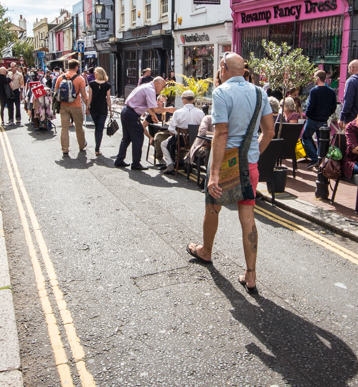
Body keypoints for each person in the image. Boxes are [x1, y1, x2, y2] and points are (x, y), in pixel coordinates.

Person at [186, 53, 275, 295]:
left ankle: (205, 251)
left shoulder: (221, 92)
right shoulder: (260, 93)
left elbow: (221, 133)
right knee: (248, 218)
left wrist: (213, 173)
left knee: (212, 208)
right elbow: (269, 131)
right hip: (250, 164)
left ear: (223, 68)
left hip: (225, 164)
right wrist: (253, 154)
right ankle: (251, 275)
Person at [114, 76, 166, 171]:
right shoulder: (150, 90)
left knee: (126, 138)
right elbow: (156, 108)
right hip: (132, 114)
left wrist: (152, 115)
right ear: (157, 83)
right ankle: (136, 163)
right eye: (162, 87)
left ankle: (119, 160)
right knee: (138, 137)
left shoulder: (145, 86)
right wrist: (171, 109)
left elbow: (147, 105)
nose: (162, 89)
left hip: (126, 111)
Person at [163, 90, 205, 174]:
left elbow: (171, 129)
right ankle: (187, 161)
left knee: (163, 144)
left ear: (183, 100)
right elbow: (202, 128)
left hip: (181, 140)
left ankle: (170, 163)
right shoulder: (200, 113)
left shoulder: (178, 112)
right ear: (193, 100)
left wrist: (176, 134)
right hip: (195, 141)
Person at [301, 70, 337, 169]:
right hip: (324, 120)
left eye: (314, 78)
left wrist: (307, 114)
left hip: (313, 119)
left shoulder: (314, 91)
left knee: (306, 138)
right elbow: (334, 106)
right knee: (322, 141)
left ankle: (314, 159)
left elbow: (310, 105)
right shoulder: (331, 91)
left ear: (318, 78)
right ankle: (320, 160)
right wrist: (327, 114)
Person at [54, 60, 89, 157]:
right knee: (79, 127)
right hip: (76, 106)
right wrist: (87, 107)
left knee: (64, 128)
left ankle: (65, 149)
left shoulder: (60, 77)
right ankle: (81, 145)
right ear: (77, 67)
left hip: (63, 105)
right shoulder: (80, 79)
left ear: (68, 66)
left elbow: (56, 92)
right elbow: (83, 95)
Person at [89, 67, 112, 155]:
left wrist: (87, 107)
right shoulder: (107, 85)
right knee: (100, 128)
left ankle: (97, 147)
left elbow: (90, 97)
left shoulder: (91, 84)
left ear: (98, 74)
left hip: (94, 108)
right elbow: (108, 99)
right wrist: (111, 111)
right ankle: (97, 148)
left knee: (97, 127)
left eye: (95, 73)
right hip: (103, 108)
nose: (94, 74)